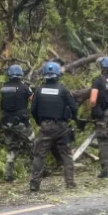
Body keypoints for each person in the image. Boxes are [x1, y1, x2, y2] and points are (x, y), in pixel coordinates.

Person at [29, 61, 78, 192]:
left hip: (45, 126)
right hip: (62, 127)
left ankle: (34, 184)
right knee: (66, 154)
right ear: (57, 75)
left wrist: (40, 122)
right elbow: (74, 107)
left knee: (39, 155)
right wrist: (70, 119)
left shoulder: (39, 90)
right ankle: (70, 183)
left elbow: (33, 110)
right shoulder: (63, 89)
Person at [0, 65, 34, 183]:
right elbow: (33, 99)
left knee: (11, 148)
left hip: (6, 123)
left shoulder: (3, 87)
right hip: (21, 123)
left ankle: (8, 174)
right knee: (33, 143)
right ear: (20, 75)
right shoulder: (24, 87)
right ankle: (39, 169)